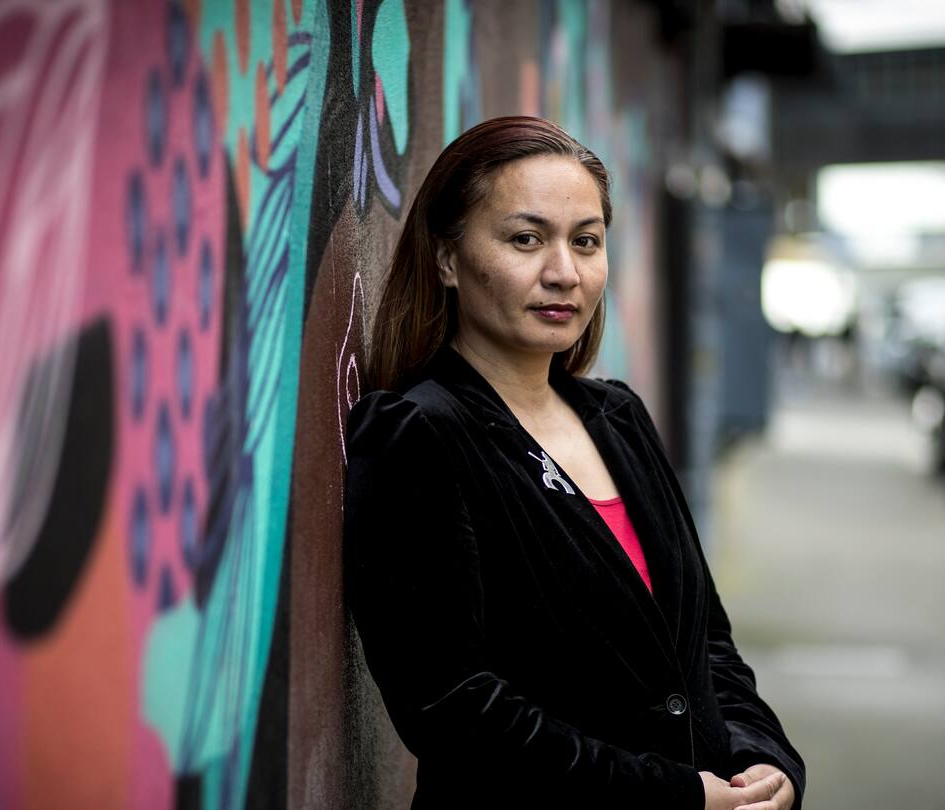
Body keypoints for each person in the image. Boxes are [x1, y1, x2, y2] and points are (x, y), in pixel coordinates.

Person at [343, 116, 804, 810]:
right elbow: (452, 706)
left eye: (585, 241)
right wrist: (673, 793)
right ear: (447, 259)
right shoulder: (420, 434)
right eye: (526, 239)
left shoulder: (619, 418)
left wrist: (763, 759)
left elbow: (706, 642)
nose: (564, 273)